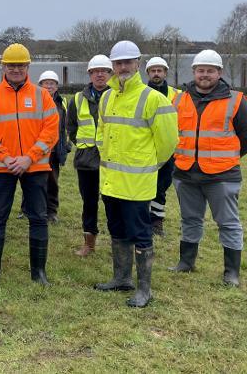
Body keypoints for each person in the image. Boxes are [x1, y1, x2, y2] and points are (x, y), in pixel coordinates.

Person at [93, 40, 178, 308]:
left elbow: (167, 143)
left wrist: (146, 165)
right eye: (118, 63)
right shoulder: (107, 96)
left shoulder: (154, 99)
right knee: (116, 229)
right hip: (111, 181)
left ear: (138, 64)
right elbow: (101, 134)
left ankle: (144, 289)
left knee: (140, 233)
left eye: (128, 62)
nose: (122, 67)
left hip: (137, 183)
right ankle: (121, 278)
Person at [169, 50, 247, 287]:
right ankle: (186, 262)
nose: (205, 75)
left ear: (219, 73)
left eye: (210, 70)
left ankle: (231, 272)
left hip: (222, 175)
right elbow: (170, 133)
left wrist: (226, 159)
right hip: (186, 172)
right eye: (201, 70)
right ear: (194, 72)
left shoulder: (235, 100)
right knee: (189, 219)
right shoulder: (179, 99)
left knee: (228, 222)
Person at [0, 44, 59, 286]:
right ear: (3, 67)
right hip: (2, 168)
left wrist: (29, 157)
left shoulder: (41, 95)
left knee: (38, 217)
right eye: (11, 65)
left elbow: (51, 129)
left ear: (28, 67)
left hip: (35, 167)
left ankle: (39, 272)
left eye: (20, 65)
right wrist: (5, 157)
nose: (15, 69)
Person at [67, 55, 112, 256]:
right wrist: (84, 146)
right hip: (86, 161)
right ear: (90, 74)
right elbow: (72, 127)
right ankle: (89, 244)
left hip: (113, 160)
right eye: (96, 71)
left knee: (114, 203)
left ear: (111, 74)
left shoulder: (119, 96)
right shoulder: (77, 99)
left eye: (104, 70)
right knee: (89, 203)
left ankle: (119, 244)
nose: (100, 74)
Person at [144, 56, 179, 237]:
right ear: (148, 73)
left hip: (168, 150)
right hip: (145, 148)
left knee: (161, 186)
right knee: (144, 186)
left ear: (165, 73)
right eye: (153, 71)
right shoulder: (141, 93)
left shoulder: (177, 95)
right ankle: (143, 220)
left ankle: (157, 222)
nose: (156, 74)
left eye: (159, 70)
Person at [34, 70, 70, 223]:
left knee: (53, 182)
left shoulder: (62, 103)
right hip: (37, 150)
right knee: (33, 181)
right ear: (40, 85)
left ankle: (51, 211)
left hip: (54, 150)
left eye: (52, 83)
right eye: (46, 83)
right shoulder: (34, 101)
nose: (49, 86)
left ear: (56, 86)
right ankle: (29, 209)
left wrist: (66, 145)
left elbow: (66, 126)